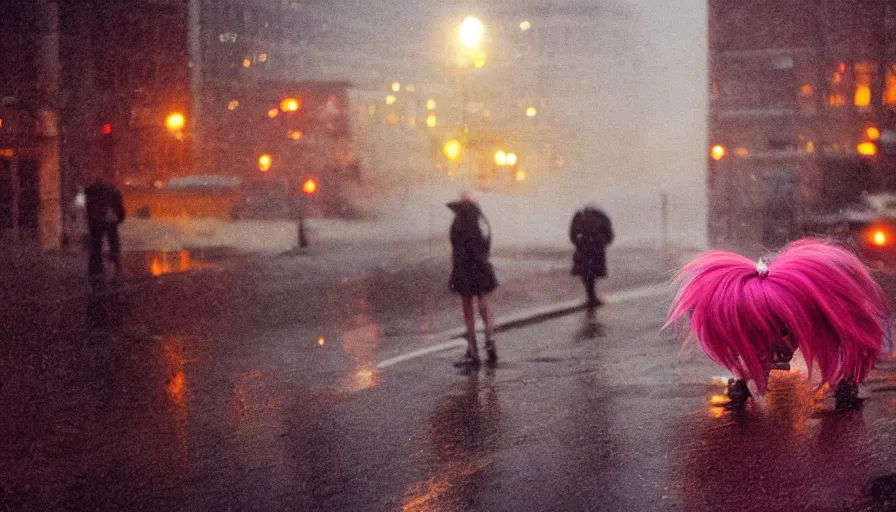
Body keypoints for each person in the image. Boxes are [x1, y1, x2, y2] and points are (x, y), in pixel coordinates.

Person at [666, 238, 891, 410]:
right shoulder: (749, 326)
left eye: (782, 329)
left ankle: (847, 381)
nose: (779, 345)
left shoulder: (817, 312)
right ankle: (742, 383)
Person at [447, 195, 498, 367]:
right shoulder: (481, 219)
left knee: (468, 308)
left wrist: (460, 262)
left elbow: (456, 245)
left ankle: (473, 349)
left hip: (464, 268)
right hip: (481, 265)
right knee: (483, 300)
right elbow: (488, 239)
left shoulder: (458, 222)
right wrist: (482, 256)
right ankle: (490, 341)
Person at [569, 205, 614, 309]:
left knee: (587, 274)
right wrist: (602, 242)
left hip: (585, 249)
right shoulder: (600, 218)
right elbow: (609, 234)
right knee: (590, 274)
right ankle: (592, 297)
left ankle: (591, 297)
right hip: (593, 249)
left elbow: (572, 234)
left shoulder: (580, 217)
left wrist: (579, 243)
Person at [84, 177, 125, 279]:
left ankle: (98, 262)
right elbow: (118, 206)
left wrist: (91, 218)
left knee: (98, 242)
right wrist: (120, 216)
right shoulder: (112, 192)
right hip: (107, 220)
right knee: (112, 240)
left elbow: (89, 207)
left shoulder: (92, 192)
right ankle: (113, 257)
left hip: (98, 220)